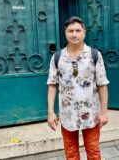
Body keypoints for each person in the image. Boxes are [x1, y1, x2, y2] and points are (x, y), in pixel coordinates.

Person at [47, 16, 109, 160]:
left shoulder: (94, 55)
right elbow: (52, 85)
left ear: (84, 32)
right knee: (71, 153)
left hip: (91, 113)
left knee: (93, 151)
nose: (74, 34)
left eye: (78, 30)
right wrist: (51, 112)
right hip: (67, 114)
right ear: (65, 33)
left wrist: (104, 112)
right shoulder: (57, 57)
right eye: (71, 31)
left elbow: (102, 84)